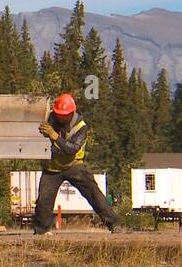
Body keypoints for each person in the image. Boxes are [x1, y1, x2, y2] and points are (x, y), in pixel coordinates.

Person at [34, 93, 123, 235]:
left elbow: (72, 149)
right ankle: (41, 230)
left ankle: (114, 224)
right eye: (58, 114)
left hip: (73, 165)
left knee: (94, 194)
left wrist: (54, 136)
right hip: (52, 167)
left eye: (63, 115)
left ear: (71, 113)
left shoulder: (81, 127)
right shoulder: (49, 118)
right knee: (44, 200)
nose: (60, 117)